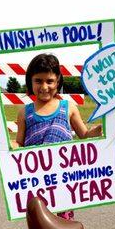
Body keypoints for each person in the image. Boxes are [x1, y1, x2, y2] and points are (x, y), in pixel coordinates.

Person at [15, 53, 102, 220]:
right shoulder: (24, 112)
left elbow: (84, 134)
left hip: (63, 181)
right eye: (38, 81)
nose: (44, 87)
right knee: (40, 223)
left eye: (49, 81)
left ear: (58, 81)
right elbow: (19, 143)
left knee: (65, 224)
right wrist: (5, 146)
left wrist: (102, 129)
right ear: (30, 81)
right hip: (36, 181)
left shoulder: (68, 107)